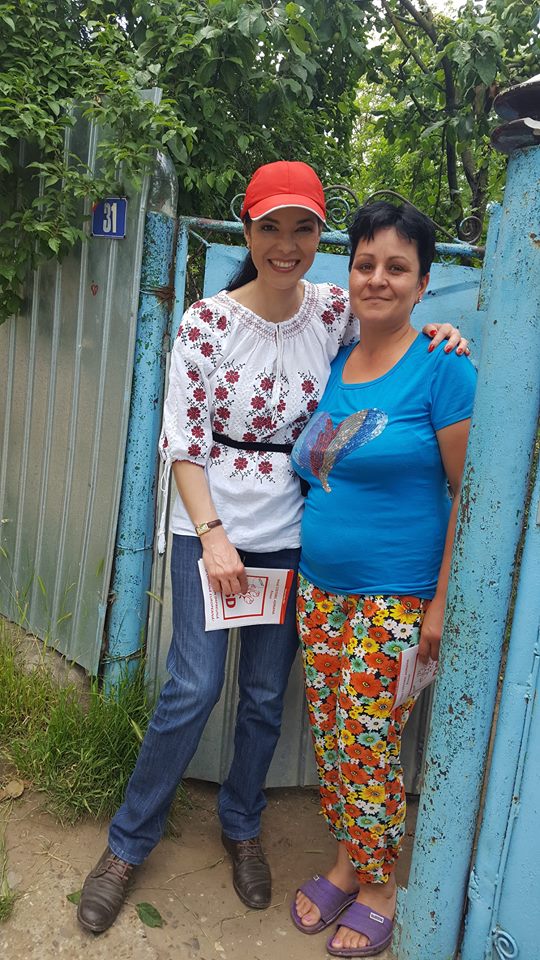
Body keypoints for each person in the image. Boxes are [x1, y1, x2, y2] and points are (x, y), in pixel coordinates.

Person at [76, 163, 467, 935]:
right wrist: (212, 536)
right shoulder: (205, 323)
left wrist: (445, 333)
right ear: (248, 231)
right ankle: (126, 845)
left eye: (303, 229)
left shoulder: (333, 311)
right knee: (193, 686)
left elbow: (397, 334)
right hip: (211, 530)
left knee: (263, 696)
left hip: (290, 538)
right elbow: (181, 441)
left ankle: (243, 825)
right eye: (271, 228)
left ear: (319, 236)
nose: (287, 245)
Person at [290, 200, 477, 957]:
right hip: (318, 590)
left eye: (396, 267)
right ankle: (346, 863)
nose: (377, 278)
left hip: (394, 599)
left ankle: (380, 887)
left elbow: (470, 493)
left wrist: (440, 603)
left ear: (423, 283)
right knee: (335, 736)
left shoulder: (444, 366)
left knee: (369, 743)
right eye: (365, 263)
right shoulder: (339, 363)